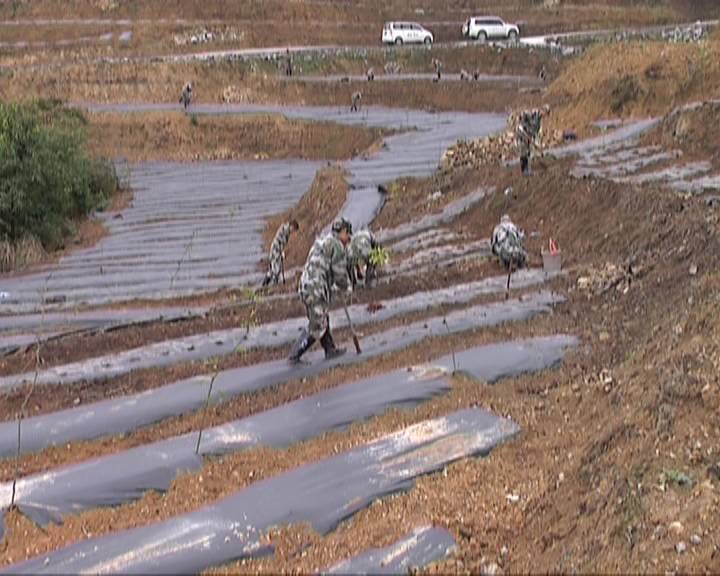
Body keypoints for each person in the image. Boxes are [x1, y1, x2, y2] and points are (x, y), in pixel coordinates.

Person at [289, 218, 353, 364]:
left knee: (322, 316)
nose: (349, 238)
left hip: (306, 285)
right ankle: (295, 354)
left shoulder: (322, 241)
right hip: (315, 288)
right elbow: (340, 273)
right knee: (317, 325)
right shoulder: (336, 246)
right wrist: (346, 288)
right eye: (348, 234)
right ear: (342, 232)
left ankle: (330, 349)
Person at [262, 219, 299, 287]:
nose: (293, 232)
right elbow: (280, 242)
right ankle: (271, 284)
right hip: (276, 250)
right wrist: (281, 253)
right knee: (276, 269)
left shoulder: (286, 230)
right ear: (292, 226)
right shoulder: (284, 230)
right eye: (293, 230)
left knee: (272, 269)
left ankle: (266, 284)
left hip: (276, 250)